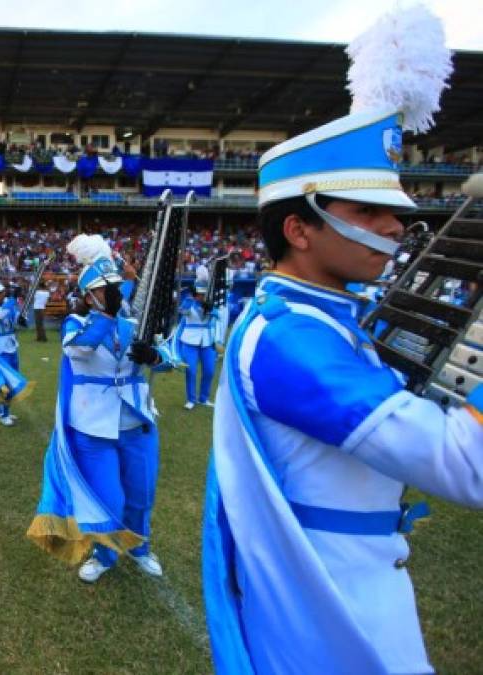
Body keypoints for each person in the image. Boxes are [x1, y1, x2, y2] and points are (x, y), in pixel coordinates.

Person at [202, 8, 483, 673]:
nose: (393, 226)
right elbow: (467, 466)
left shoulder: (319, 317)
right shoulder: (292, 341)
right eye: (367, 211)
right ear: (299, 228)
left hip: (353, 576)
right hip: (332, 598)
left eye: (394, 211)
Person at [27, 234, 170, 583]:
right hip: (94, 428)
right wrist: (106, 314)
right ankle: (104, 554)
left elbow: (169, 359)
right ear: (89, 296)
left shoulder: (136, 324)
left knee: (141, 496)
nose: (114, 294)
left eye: (116, 288)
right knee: (109, 499)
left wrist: (155, 356)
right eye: (106, 290)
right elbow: (83, 348)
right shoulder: (75, 325)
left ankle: (139, 547)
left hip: (136, 424)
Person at [0, 281, 33, 425]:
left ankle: (0, 410)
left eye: (3, 292)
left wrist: (22, 318)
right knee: (6, 382)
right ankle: (4, 414)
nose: (3, 295)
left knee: (12, 377)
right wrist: (11, 300)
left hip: (11, 346)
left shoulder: (7, 305)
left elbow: (16, 317)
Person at [176, 280, 218, 409]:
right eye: (199, 294)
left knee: (210, 371)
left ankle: (204, 398)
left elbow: (218, 316)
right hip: (190, 341)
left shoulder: (209, 303)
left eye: (203, 294)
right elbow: (182, 311)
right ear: (195, 294)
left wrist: (211, 310)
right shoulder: (189, 303)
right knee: (191, 370)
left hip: (207, 341)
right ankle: (191, 399)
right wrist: (190, 300)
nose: (202, 296)